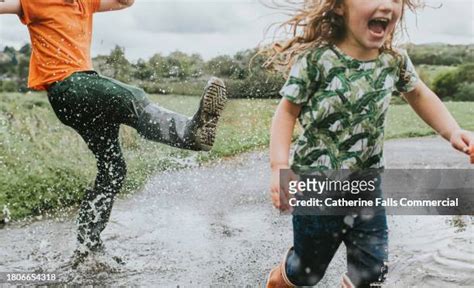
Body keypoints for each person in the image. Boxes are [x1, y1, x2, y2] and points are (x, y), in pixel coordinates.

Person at [0, 0, 227, 266]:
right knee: (131, 96)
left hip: (77, 101)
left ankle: (88, 245)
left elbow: (124, 2)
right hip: (70, 86)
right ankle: (189, 134)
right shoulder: (34, 2)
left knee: (113, 168)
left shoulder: (85, 3)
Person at [263, 0, 473, 287]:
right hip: (316, 184)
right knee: (308, 270)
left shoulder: (393, 60)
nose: (387, 5)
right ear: (339, 7)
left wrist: (453, 131)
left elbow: (419, 95)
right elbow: (287, 112)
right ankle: (281, 278)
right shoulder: (318, 60)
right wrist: (279, 166)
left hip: (366, 184)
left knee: (371, 270)